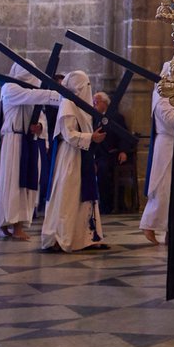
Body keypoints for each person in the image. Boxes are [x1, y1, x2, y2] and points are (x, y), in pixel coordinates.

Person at [0, 63, 60, 240]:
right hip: (12, 142)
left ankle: (17, 225)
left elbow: (40, 114)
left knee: (25, 185)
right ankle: (5, 222)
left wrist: (40, 127)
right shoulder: (9, 88)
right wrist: (59, 95)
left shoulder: (31, 92)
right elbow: (31, 96)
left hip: (28, 141)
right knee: (11, 183)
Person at [41, 70, 108, 252]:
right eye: (85, 85)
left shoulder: (82, 107)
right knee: (68, 195)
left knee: (83, 196)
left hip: (82, 154)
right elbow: (68, 134)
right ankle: (63, 236)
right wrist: (91, 137)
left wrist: (92, 138)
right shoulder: (68, 104)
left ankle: (86, 237)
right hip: (70, 156)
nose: (88, 89)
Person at [139, 62, 174, 244]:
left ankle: (171, 230)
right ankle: (150, 225)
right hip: (166, 145)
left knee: (173, 190)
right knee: (162, 188)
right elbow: (169, 119)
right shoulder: (161, 95)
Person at [92, 91, 133, 214]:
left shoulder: (116, 117)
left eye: (96, 102)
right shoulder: (92, 117)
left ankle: (106, 205)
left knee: (103, 169)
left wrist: (123, 151)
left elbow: (124, 136)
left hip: (110, 154)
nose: (94, 105)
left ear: (105, 103)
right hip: (95, 154)